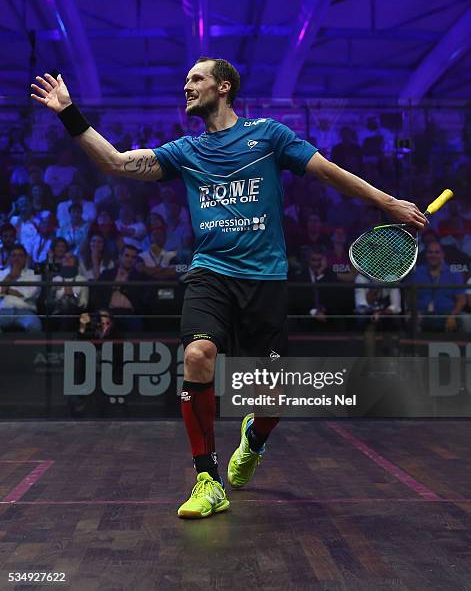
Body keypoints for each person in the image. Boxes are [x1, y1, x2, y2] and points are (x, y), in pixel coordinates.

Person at [31, 59, 426, 519]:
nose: (187, 86)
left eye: (195, 79)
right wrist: (68, 112)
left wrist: (389, 202)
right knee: (198, 355)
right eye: (185, 80)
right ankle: (207, 479)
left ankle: (254, 440)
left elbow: (328, 171)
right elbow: (116, 162)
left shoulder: (270, 135)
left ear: (224, 87)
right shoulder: (186, 151)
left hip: (265, 280)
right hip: (210, 273)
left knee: (271, 400)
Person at [408, 241, 465, 332]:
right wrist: (414, 312)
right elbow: (410, 297)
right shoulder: (417, 273)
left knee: (458, 321)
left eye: (437, 252)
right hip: (423, 315)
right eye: (430, 252)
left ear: (443, 255)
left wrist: (453, 315)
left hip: (447, 314)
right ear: (426, 255)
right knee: (410, 321)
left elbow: (461, 300)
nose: (433, 255)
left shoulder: (454, 274)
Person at [0, 244, 41, 332]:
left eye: (20, 255)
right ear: (9, 258)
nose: (16, 258)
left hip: (25, 311)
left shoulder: (34, 273)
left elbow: (29, 294)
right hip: (4, 311)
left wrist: (6, 290)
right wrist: (11, 277)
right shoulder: (2, 273)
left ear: (25, 258)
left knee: (35, 326)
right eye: (14, 255)